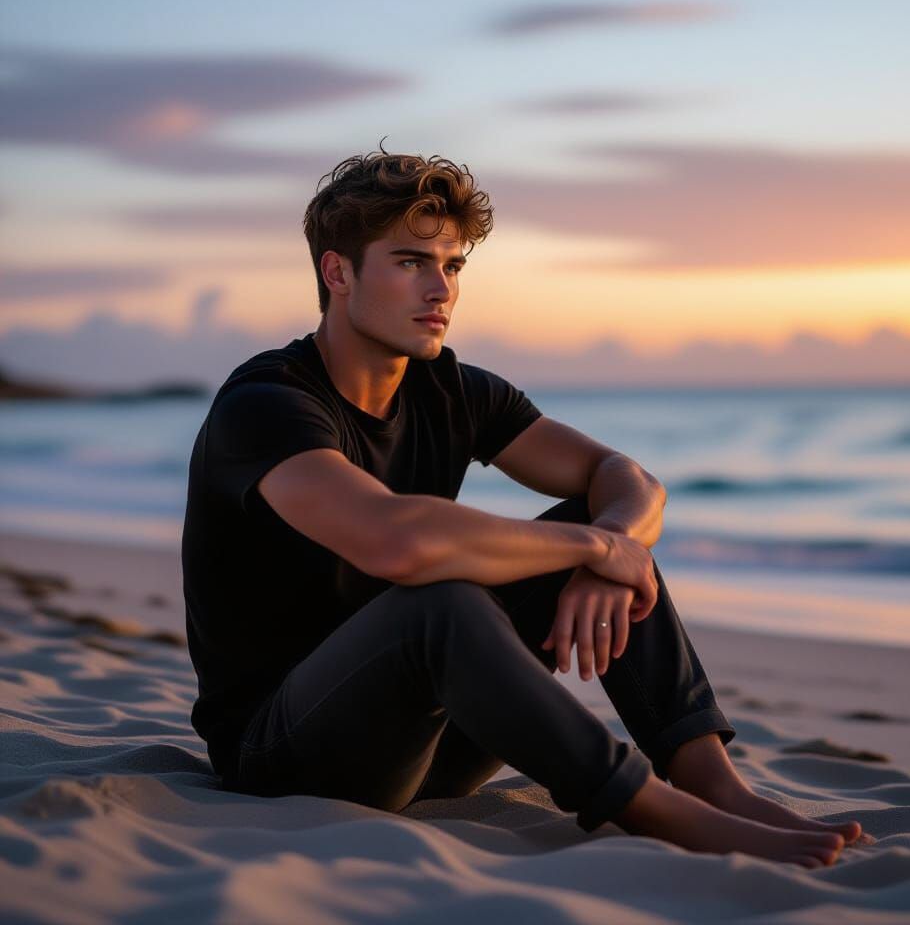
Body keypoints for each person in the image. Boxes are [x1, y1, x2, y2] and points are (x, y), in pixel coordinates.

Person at [182, 145, 863, 868]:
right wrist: (599, 550)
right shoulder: (268, 404)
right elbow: (394, 541)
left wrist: (609, 547)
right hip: (286, 756)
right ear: (338, 272)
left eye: (452, 266)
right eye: (412, 261)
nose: (439, 289)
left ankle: (713, 785)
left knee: (589, 523)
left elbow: (623, 476)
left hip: (434, 742)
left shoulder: (452, 390)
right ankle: (652, 809)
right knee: (443, 601)